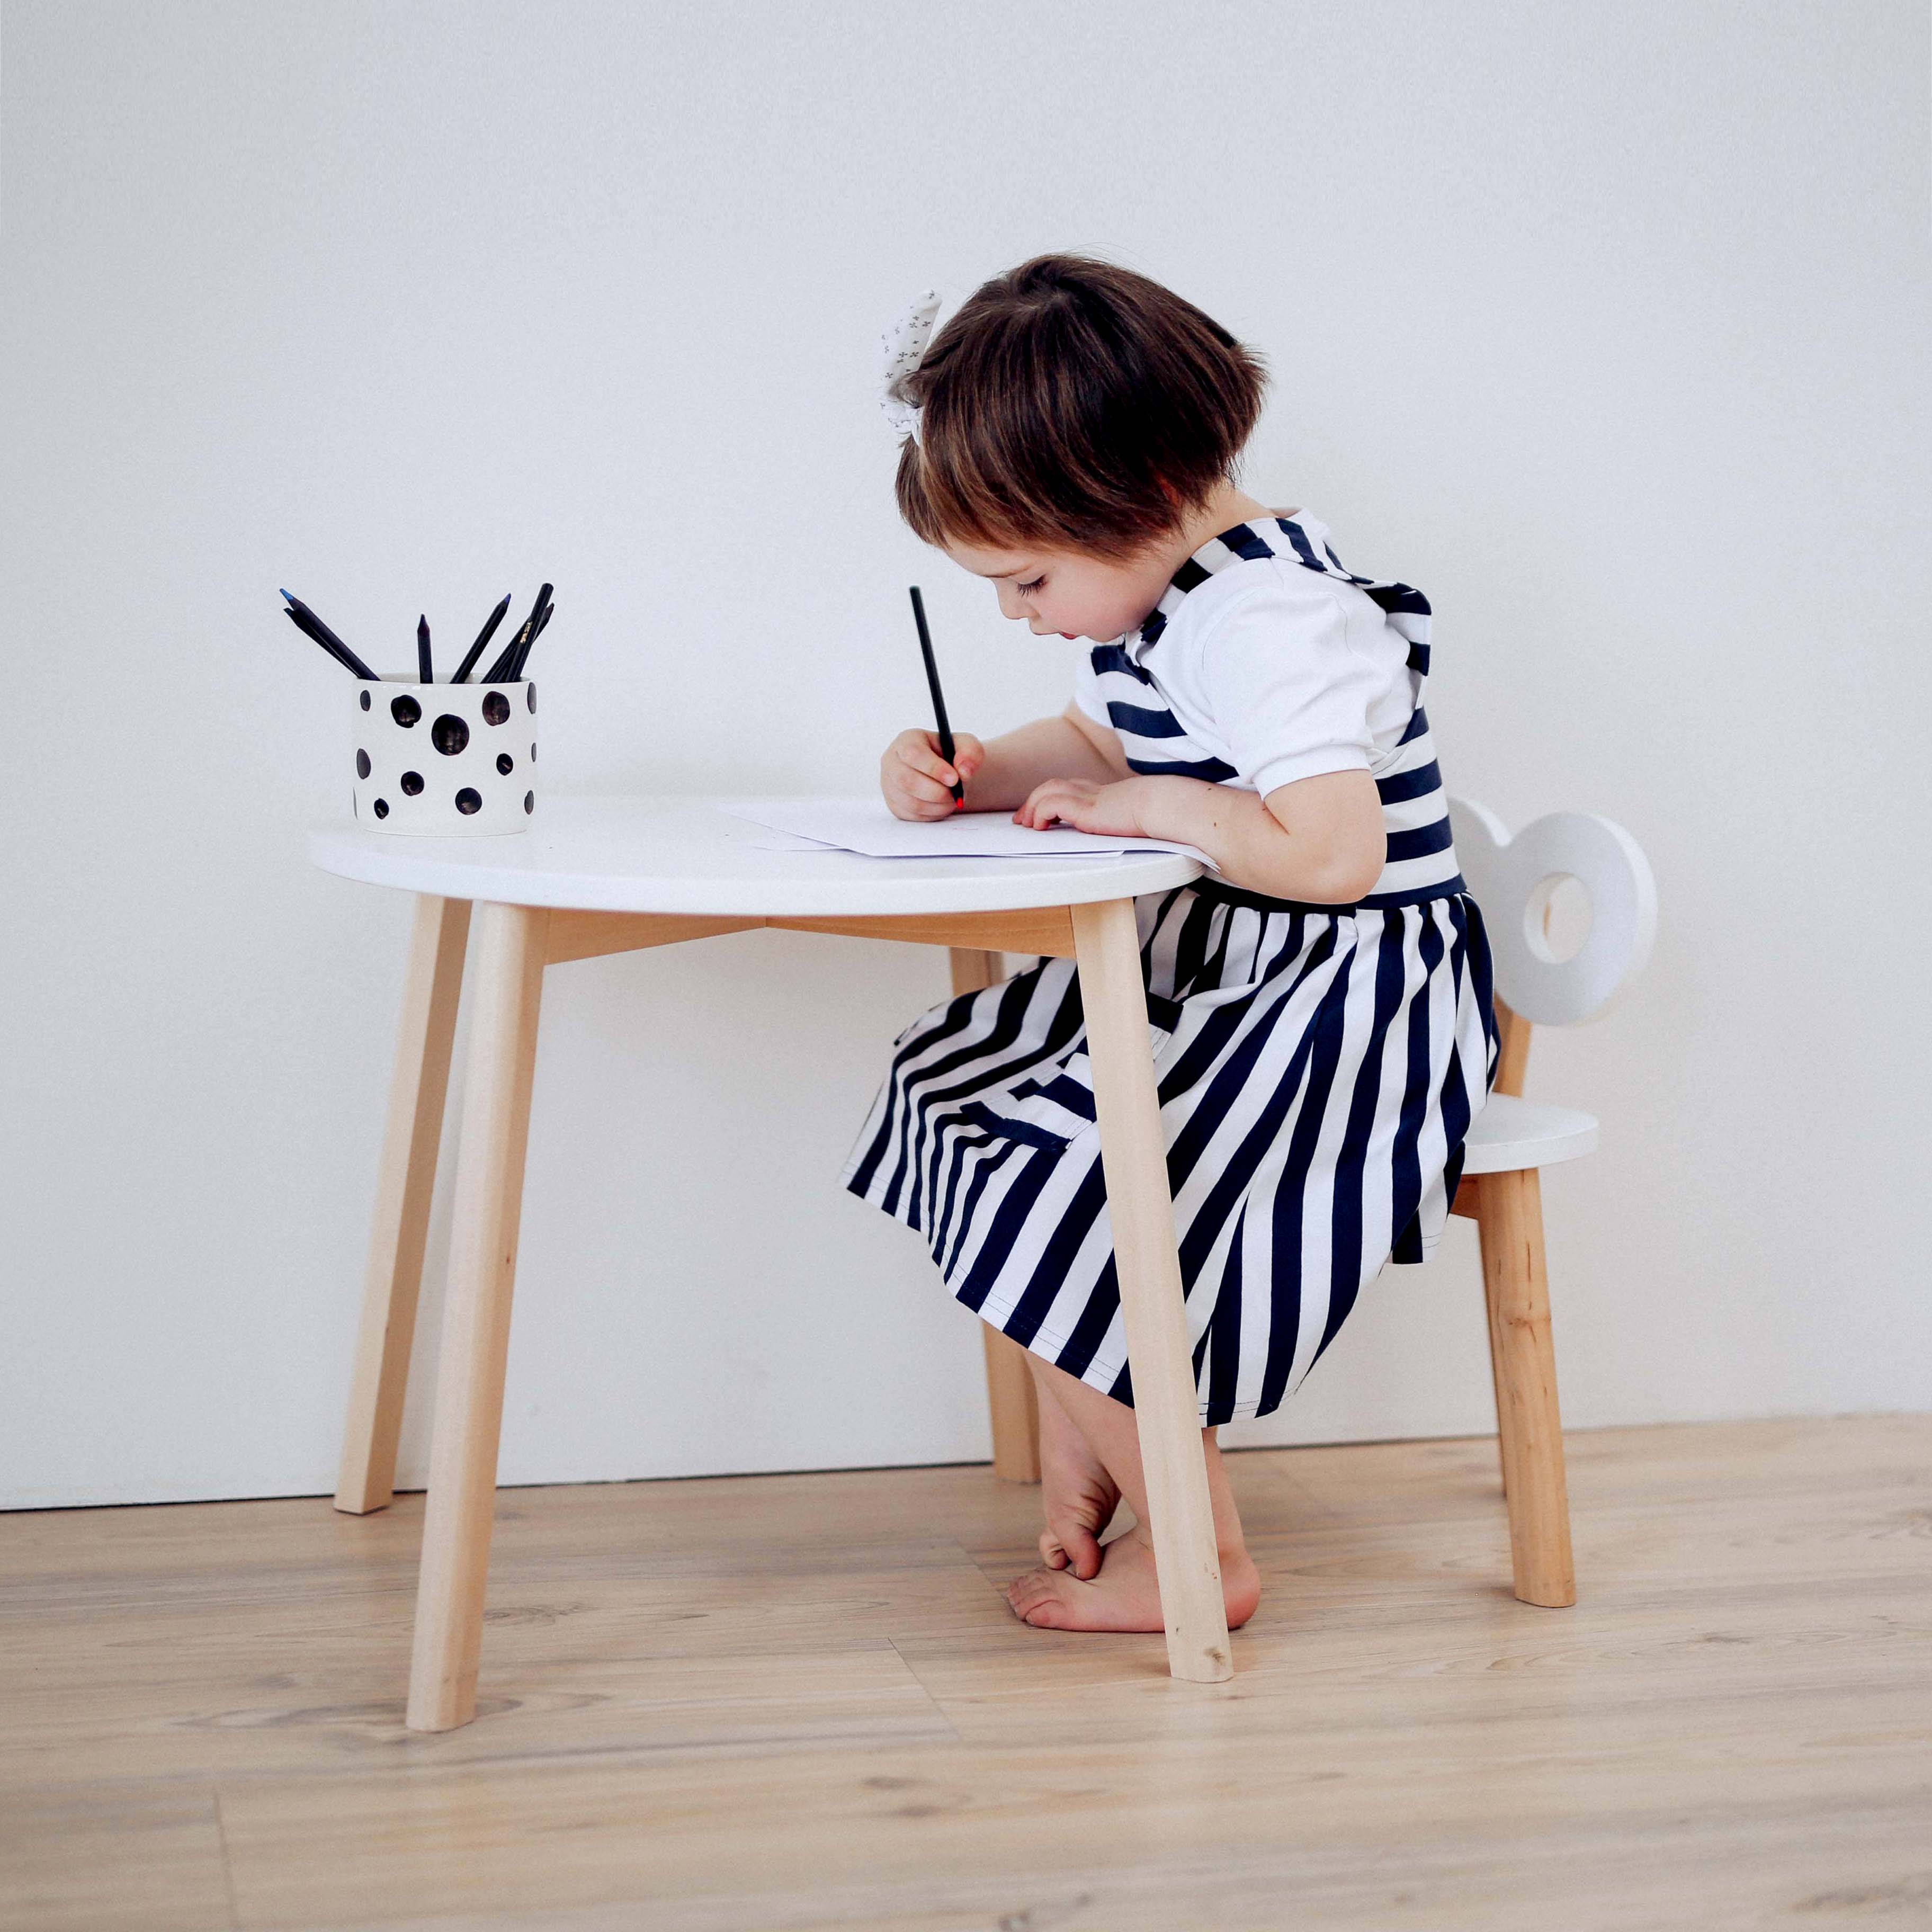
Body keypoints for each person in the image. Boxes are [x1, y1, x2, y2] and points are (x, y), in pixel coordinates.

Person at [844, 254, 1497, 1634]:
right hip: (1240, 976)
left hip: (1348, 1006)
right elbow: (1101, 738)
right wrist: (984, 770)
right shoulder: (1174, 600)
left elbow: (1332, 852)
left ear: (1131, 502)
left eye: (1026, 579)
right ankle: (1102, 1438)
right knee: (949, 1088)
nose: (1019, 615)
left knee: (1050, 1174)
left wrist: (1148, 806)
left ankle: (1198, 1548)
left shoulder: (1268, 622)